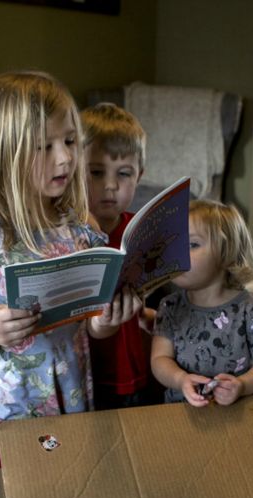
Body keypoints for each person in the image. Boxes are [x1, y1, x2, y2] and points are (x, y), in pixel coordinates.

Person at [0, 71, 141, 434]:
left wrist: (106, 322)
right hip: (6, 402)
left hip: (71, 386)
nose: (65, 158)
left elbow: (91, 324)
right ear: (5, 153)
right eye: (45, 146)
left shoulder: (81, 224)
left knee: (66, 476)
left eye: (69, 141)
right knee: (17, 486)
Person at [151, 200, 253, 407]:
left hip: (238, 414)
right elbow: (160, 359)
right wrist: (180, 380)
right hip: (181, 414)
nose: (176, 254)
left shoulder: (252, 310)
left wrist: (242, 385)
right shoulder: (169, 307)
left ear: (226, 252)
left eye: (192, 244)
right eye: (173, 245)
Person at [81, 103, 158, 410]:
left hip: (135, 365)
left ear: (139, 175)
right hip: (90, 373)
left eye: (124, 174)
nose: (110, 185)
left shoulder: (137, 229)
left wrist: (148, 315)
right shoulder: (70, 236)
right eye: (96, 172)